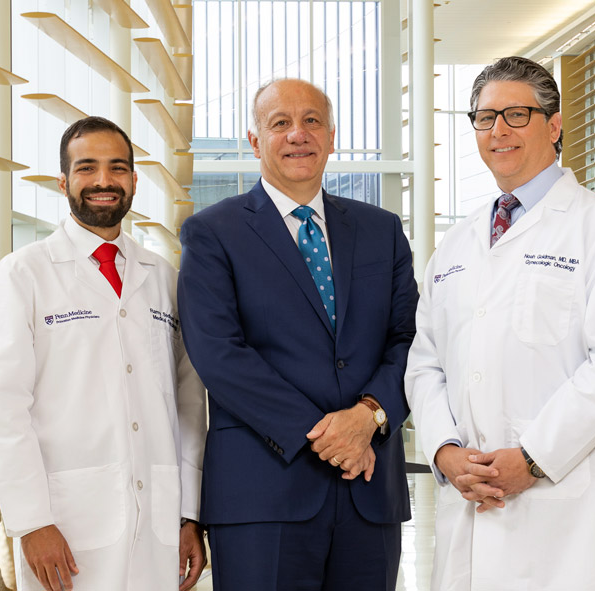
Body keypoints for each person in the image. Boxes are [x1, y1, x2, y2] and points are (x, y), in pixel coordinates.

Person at [405, 56, 595, 590]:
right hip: (470, 500)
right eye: (484, 117)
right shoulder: (458, 243)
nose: (498, 129)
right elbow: (424, 361)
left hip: (573, 515)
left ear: (555, 123)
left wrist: (533, 458)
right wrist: (445, 452)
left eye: (517, 114)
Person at [177, 78, 417, 591]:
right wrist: (330, 436)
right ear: (254, 140)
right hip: (264, 493)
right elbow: (219, 354)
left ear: (332, 135)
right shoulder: (212, 233)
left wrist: (368, 415)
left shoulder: (382, 230)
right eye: (279, 123)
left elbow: (410, 340)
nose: (297, 135)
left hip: (370, 491)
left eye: (311, 121)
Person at [0, 116, 207, 591]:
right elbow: (5, 408)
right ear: (63, 181)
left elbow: (189, 404)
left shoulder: (163, 278)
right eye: (87, 168)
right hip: (64, 525)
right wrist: (30, 520)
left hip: (159, 519)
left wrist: (189, 514)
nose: (104, 181)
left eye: (117, 168)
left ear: (133, 181)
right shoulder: (25, 274)